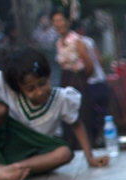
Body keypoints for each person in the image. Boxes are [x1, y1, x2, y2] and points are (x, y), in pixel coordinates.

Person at [0, 49, 108, 180]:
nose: (39, 92)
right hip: (4, 150)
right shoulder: (7, 90)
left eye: (42, 83)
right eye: (30, 88)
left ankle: (8, 171)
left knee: (65, 153)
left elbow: (76, 124)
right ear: (18, 88)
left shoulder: (61, 98)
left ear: (48, 76)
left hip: (35, 159)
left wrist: (90, 157)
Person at [51, 11, 94, 150]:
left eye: (61, 20)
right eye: (55, 21)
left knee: (82, 115)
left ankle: (86, 147)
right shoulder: (58, 43)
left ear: (68, 22)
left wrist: (81, 79)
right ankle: (73, 148)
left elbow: (90, 65)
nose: (59, 24)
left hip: (78, 82)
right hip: (65, 81)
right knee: (67, 115)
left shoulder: (76, 40)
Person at [73, 22, 109, 147]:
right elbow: (99, 60)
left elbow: (91, 65)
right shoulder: (89, 41)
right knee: (102, 112)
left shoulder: (76, 44)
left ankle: (96, 139)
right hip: (101, 80)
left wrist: (84, 77)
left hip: (91, 84)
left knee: (93, 113)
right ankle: (100, 137)